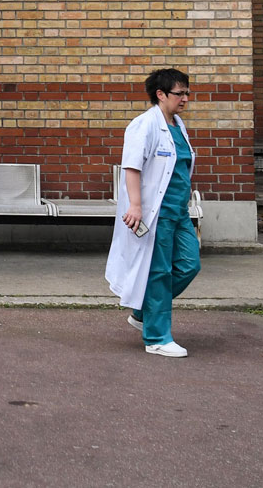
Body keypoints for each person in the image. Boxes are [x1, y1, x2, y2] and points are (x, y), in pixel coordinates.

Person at [105, 67, 200, 357]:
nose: (184, 99)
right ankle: (157, 337)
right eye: (178, 93)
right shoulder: (144, 125)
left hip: (179, 212)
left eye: (186, 93)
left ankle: (144, 311)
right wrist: (135, 205)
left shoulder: (178, 125)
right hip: (155, 214)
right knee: (159, 272)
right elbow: (132, 166)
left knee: (189, 264)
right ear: (160, 94)